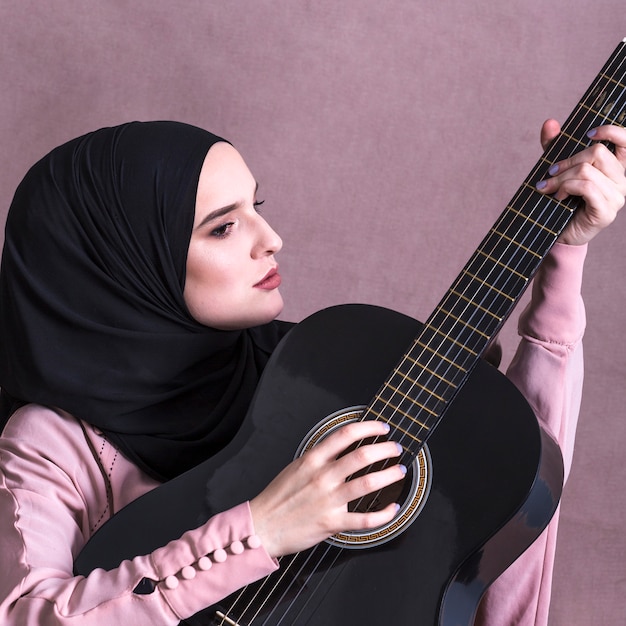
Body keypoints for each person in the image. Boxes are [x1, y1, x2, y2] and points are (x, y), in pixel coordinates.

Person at [0, 119, 623, 626]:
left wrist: (562, 259)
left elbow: (515, 487)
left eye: (257, 207)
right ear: (128, 264)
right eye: (223, 226)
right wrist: (261, 530)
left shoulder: (325, 373)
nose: (270, 239)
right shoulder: (52, 442)